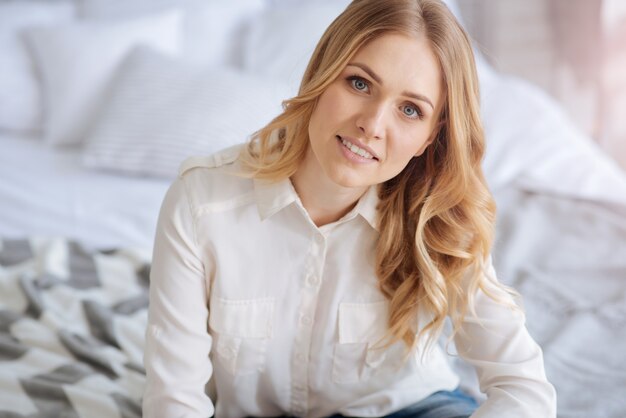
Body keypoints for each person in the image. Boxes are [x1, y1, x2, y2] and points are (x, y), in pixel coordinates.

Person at [142, 0, 557, 417]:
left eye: (410, 110)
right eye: (359, 83)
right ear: (322, 76)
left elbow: (523, 387)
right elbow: (174, 401)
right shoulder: (202, 203)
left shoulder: (440, 219)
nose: (373, 125)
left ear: (431, 137)